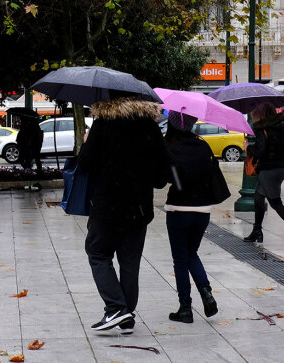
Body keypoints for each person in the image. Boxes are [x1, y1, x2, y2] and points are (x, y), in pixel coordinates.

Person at [78, 96, 169, 333]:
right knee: (130, 263)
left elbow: (84, 164)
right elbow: (161, 178)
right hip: (138, 209)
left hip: (107, 206)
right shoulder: (150, 126)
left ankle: (116, 308)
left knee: (97, 253)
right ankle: (126, 317)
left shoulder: (103, 123)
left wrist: (87, 143)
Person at [164, 111, 219, 324]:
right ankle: (206, 292)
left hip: (179, 208)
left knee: (180, 258)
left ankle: (185, 308)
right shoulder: (203, 145)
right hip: (203, 209)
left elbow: (161, 180)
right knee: (191, 253)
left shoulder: (170, 147)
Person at [243, 102, 284, 246]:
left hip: (268, 171)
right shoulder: (281, 128)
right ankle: (257, 230)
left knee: (276, 203)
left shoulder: (263, 129)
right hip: (281, 168)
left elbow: (260, 153)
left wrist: (248, 148)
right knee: (258, 198)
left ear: (259, 114)